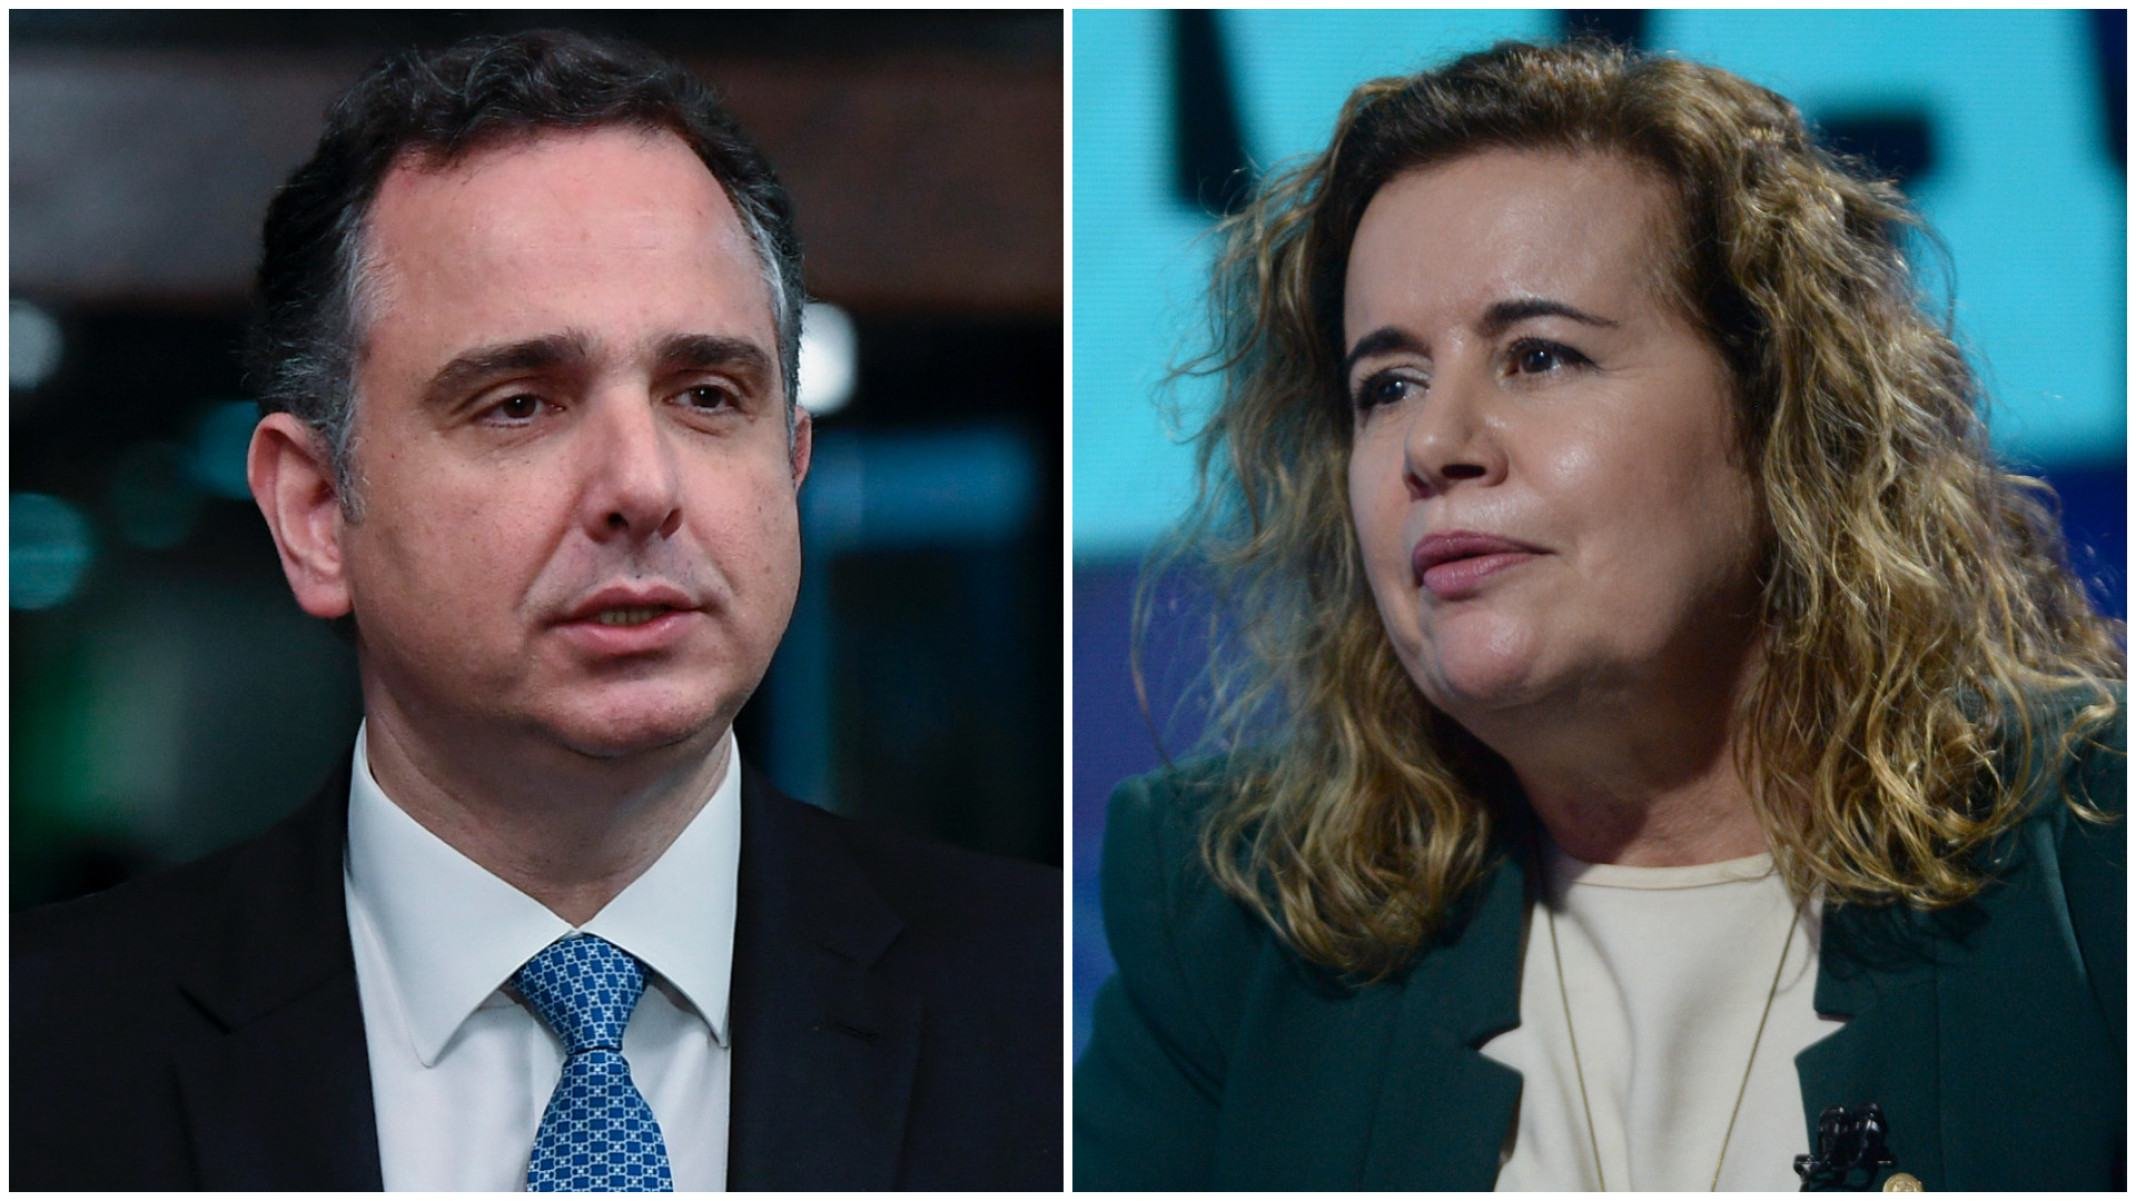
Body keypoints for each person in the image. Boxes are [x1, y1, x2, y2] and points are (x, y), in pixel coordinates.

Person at [13, 29, 1059, 1191]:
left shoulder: (1050, 1007)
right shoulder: (46, 1057)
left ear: (792, 465)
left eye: (707, 395)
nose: (642, 486)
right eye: (519, 404)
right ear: (315, 512)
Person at [1075, 38, 2122, 1192]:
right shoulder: (1231, 921)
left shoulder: (2092, 860)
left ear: (1780, 411)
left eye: (1538, 356)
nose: (1434, 444)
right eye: (1388, 385)